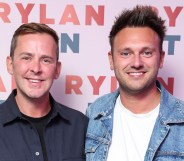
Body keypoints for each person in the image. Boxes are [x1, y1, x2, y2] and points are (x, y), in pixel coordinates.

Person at [85, 5, 184, 161]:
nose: (136, 62)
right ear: (111, 60)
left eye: (146, 52)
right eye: (126, 53)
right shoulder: (94, 113)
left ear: (161, 58)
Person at [0, 22, 88, 161]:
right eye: (26, 58)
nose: (36, 68)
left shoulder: (81, 125)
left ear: (57, 69)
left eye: (46, 60)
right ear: (10, 65)